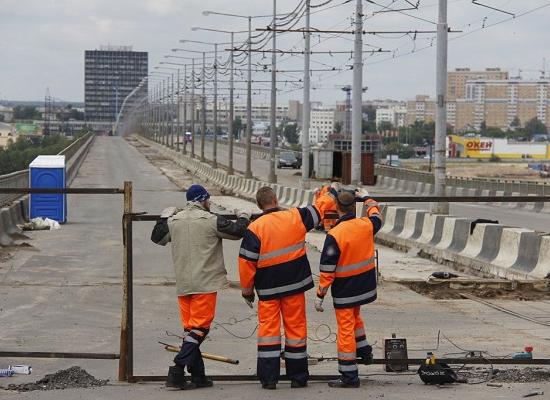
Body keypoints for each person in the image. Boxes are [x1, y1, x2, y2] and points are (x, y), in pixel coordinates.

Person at [151, 184, 250, 390]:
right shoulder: (210, 219)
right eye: (208, 200)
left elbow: (157, 237)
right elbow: (238, 231)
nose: (210, 203)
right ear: (203, 200)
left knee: (190, 330)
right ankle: (177, 369)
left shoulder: (174, 221)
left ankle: (199, 377)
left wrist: (163, 217)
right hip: (205, 283)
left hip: (183, 283)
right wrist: (243, 216)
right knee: (200, 328)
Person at [238, 186, 331, 390]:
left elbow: (246, 262)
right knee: (296, 329)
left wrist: (247, 290)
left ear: (259, 205)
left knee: (269, 331)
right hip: (294, 286)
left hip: (268, 289)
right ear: (276, 200)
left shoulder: (255, 228)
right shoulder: (295, 216)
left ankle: (269, 379)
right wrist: (328, 193)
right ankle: (298, 377)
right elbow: (321, 208)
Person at [314, 188, 383, 388]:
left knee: (345, 328)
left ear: (337, 208)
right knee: (355, 318)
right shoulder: (367, 225)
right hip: (365, 286)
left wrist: (320, 294)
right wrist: (367, 197)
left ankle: (349, 375)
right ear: (354, 206)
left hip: (345, 290)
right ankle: (364, 352)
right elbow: (376, 213)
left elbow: (328, 268)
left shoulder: (335, 234)